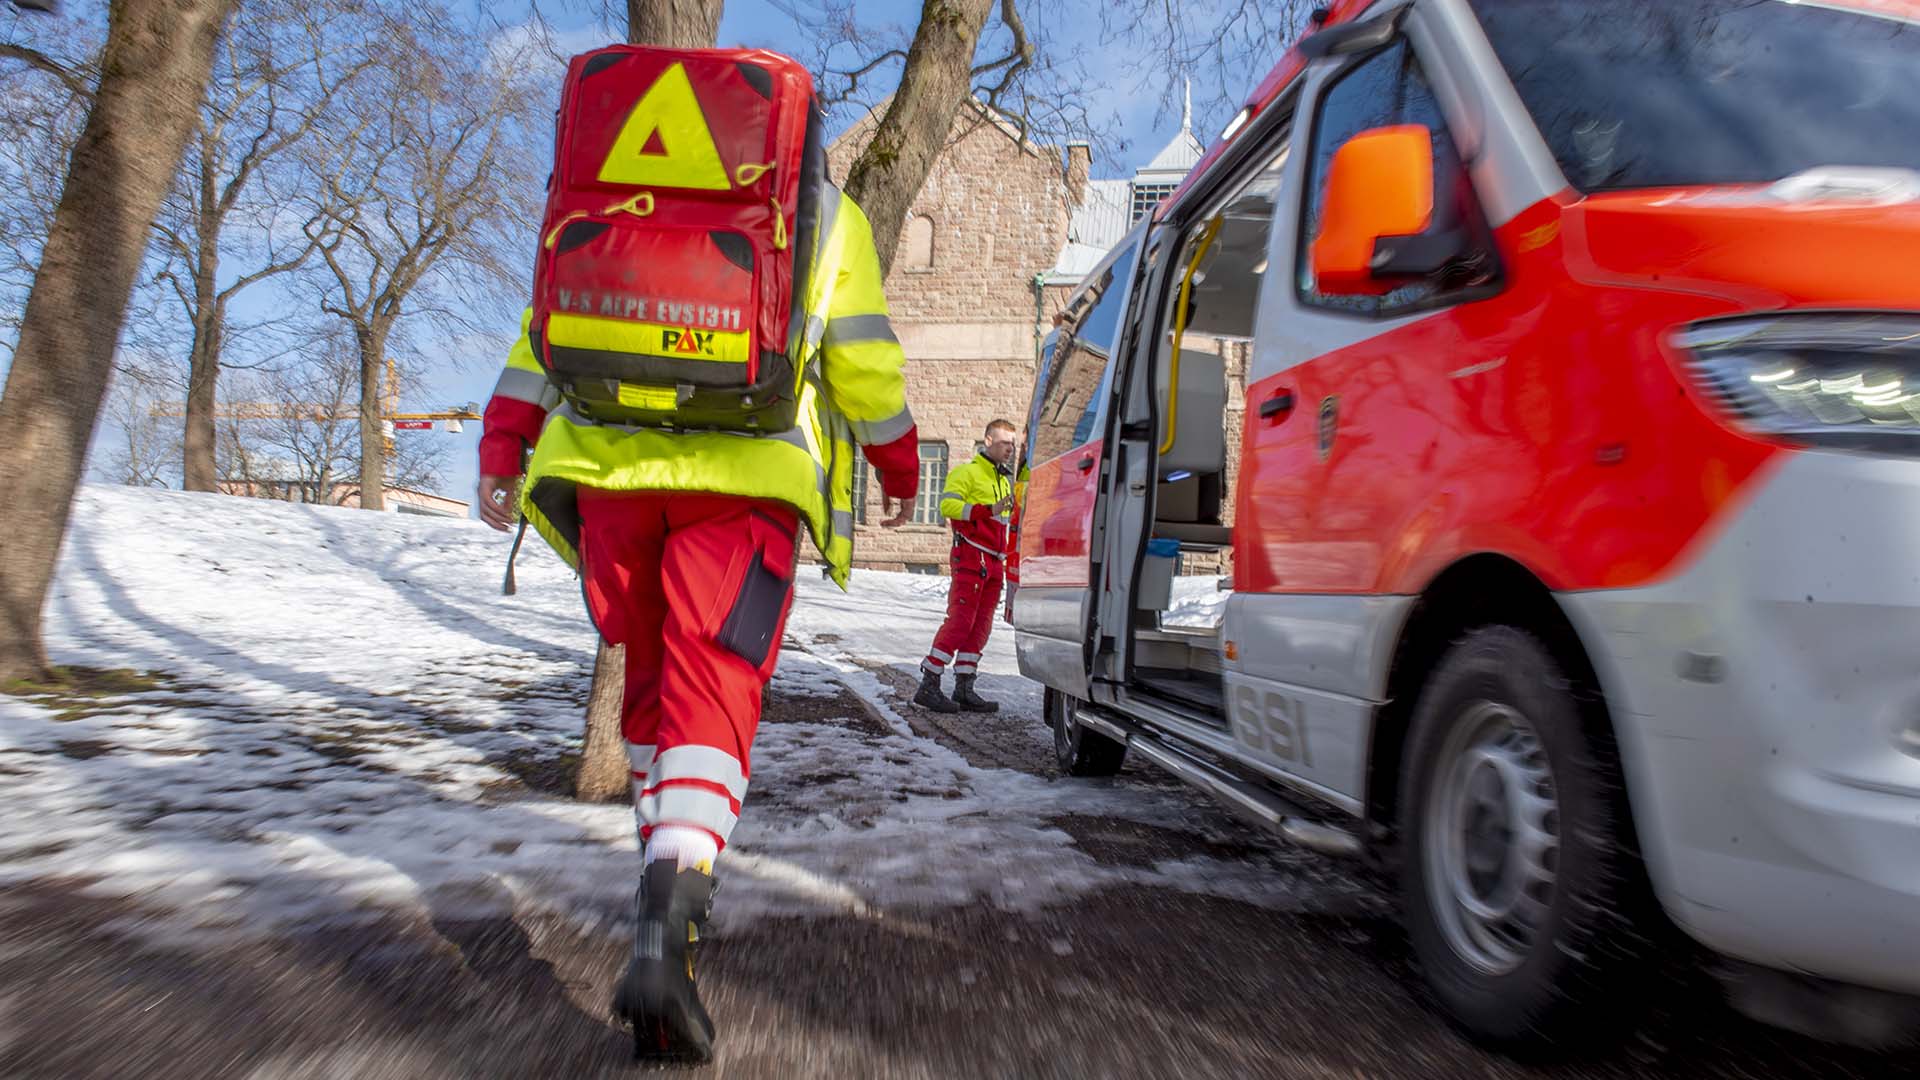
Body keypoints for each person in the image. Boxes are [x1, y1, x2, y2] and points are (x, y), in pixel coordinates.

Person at [476, 176, 918, 1063]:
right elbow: (861, 355)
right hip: (743, 478)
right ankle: (666, 931)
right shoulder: (823, 210)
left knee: (650, 679)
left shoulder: (616, 191)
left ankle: (658, 886)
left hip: (603, 475)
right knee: (711, 689)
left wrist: (503, 441)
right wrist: (901, 466)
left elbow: (543, 331)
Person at [914, 419, 1019, 713]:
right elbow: (947, 506)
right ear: (987, 441)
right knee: (961, 621)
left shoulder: (1001, 480)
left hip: (994, 562)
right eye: (1004, 443)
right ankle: (929, 683)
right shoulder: (967, 473)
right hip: (972, 558)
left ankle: (964, 687)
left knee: (981, 626)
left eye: (1012, 444)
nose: (1009, 449)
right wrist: (989, 510)